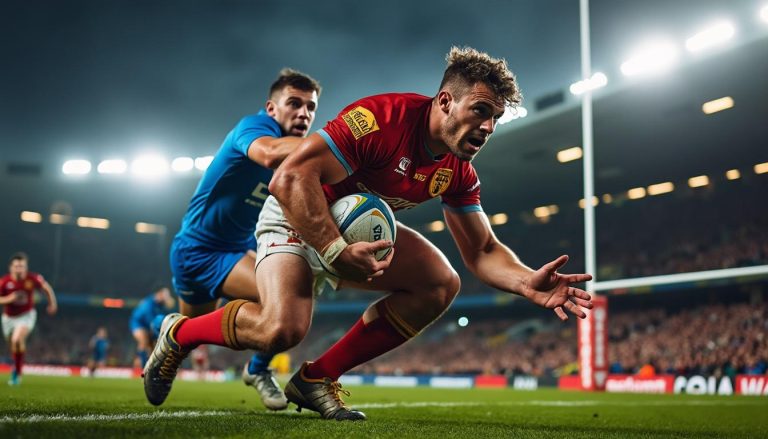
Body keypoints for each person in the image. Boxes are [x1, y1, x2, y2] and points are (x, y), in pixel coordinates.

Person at [144, 47, 593, 420]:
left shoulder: (459, 172)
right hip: (298, 217)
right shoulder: (384, 117)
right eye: (480, 111)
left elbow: (483, 251)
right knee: (281, 329)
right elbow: (288, 180)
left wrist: (524, 281)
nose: (489, 127)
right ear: (444, 102)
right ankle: (179, 334)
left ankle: (317, 379)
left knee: (441, 283)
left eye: (495, 117)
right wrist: (333, 248)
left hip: (355, 233)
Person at [165, 68, 321, 409]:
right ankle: (172, 346)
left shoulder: (301, 162)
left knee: (292, 297)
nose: (303, 113)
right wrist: (332, 146)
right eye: (294, 103)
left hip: (235, 251)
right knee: (188, 334)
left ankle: (258, 368)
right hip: (196, 249)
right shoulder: (254, 128)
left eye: (310, 107)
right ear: (271, 108)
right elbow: (268, 153)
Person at [0, 252, 57, 386]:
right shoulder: (4, 282)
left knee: (17, 339)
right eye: (16, 266)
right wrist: (9, 299)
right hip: (8, 318)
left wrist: (52, 303)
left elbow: (47, 288)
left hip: (26, 315)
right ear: (11, 268)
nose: (19, 269)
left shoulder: (32, 279)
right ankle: (17, 368)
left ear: (26, 267)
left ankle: (17, 373)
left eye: (22, 266)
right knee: (14, 345)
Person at [130, 285, 175, 369]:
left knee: (152, 347)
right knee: (144, 341)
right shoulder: (149, 303)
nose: (167, 297)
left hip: (149, 325)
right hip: (138, 323)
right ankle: (143, 367)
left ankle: (146, 365)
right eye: (166, 295)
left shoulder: (160, 305)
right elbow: (150, 321)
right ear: (160, 294)